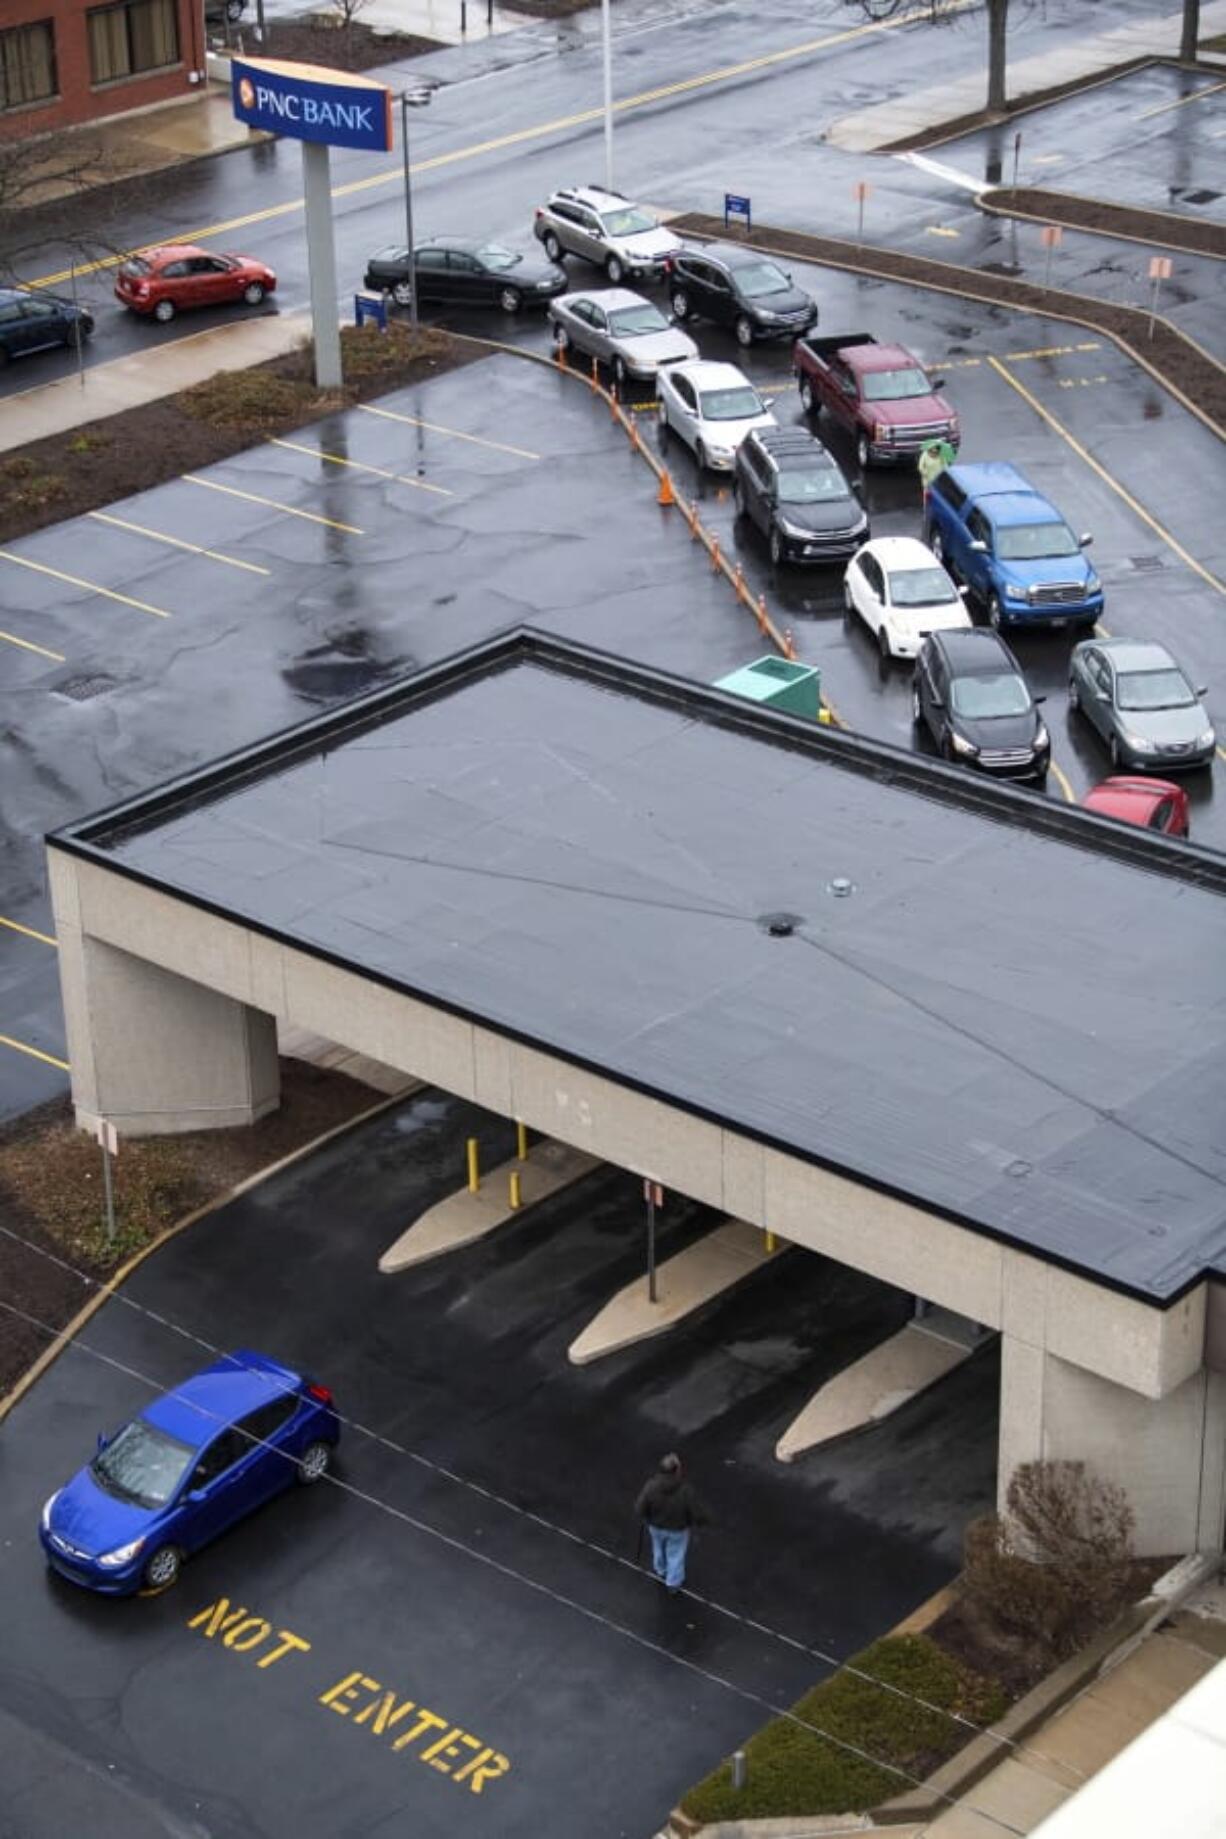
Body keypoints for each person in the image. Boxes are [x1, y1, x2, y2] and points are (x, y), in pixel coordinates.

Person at [635, 1452, 709, 1593]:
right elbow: (696, 1512)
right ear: (676, 1470)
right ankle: (673, 1583)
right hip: (677, 1530)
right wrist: (702, 1521)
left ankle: (660, 1569)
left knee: (658, 1547)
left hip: (656, 1526)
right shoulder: (685, 1490)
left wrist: (645, 1515)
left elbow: (639, 1507)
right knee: (675, 1555)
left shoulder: (651, 1486)